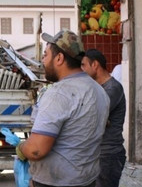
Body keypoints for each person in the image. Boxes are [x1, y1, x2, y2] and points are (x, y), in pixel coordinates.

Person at [16, 30, 110, 187]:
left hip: (57, 182)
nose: (43, 61)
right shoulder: (99, 90)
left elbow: (36, 150)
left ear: (59, 58)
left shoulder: (58, 93)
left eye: (45, 55)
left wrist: (21, 148)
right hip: (87, 179)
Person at [81, 49, 126, 187]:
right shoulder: (96, 88)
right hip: (96, 153)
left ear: (95, 65)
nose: (81, 70)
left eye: (84, 65)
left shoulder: (113, 88)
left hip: (108, 155)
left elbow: (90, 117)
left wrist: (97, 119)